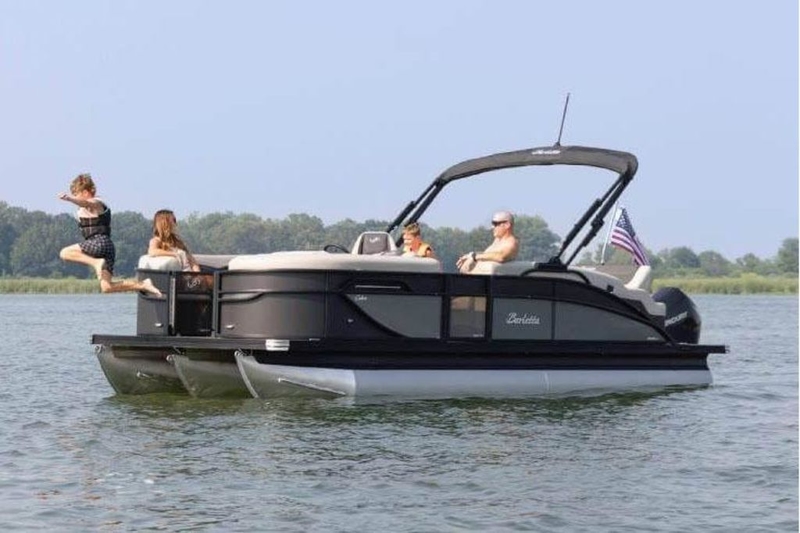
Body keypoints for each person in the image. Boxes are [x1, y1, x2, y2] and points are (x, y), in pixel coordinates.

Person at [58, 173, 161, 296]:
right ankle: (143, 284)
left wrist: (70, 199)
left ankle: (95, 263)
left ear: (85, 192)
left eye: (76, 194)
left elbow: (85, 203)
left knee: (64, 253)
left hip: (99, 242)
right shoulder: (86, 207)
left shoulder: (96, 203)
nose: (75, 197)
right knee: (107, 287)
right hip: (107, 248)